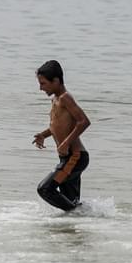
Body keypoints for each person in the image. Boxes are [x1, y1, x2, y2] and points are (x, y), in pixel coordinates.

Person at [31, 59, 91, 212]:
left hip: (75, 157)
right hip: (68, 158)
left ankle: (77, 216)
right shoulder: (56, 100)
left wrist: (65, 143)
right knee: (71, 202)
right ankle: (78, 224)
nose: (40, 88)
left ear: (56, 81)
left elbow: (84, 121)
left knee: (45, 189)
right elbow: (58, 126)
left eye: (43, 83)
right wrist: (44, 135)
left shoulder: (65, 98)